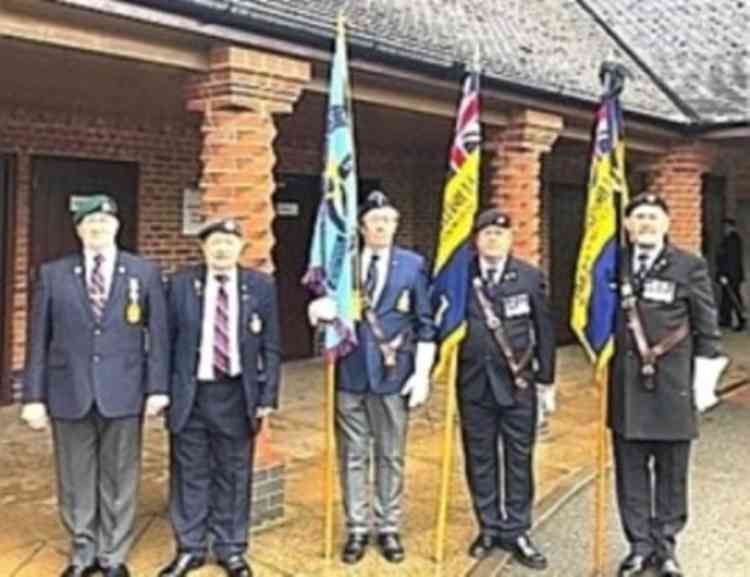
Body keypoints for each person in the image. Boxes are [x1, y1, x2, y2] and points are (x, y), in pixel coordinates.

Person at [21, 194, 169, 577]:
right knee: (74, 476)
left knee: (120, 474)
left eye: (104, 222)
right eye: (90, 224)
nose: (97, 229)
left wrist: (157, 388)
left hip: (125, 389)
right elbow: (38, 338)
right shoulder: (53, 274)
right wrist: (33, 396)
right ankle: (82, 552)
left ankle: (113, 554)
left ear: (116, 226)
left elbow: (160, 335)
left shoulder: (143, 272)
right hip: (68, 390)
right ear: (79, 230)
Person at [308, 190, 436, 564]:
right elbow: (327, 308)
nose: (382, 227)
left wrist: (423, 373)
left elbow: (423, 321)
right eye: (375, 221)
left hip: (393, 375)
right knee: (353, 454)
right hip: (349, 372)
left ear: (395, 226)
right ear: (362, 228)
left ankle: (388, 526)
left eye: (389, 221)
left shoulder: (412, 265)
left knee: (391, 454)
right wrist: (318, 312)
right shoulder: (341, 264)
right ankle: (357, 528)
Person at [157, 218, 281, 577]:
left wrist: (268, 394)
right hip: (191, 393)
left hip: (237, 394)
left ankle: (231, 548)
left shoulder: (260, 286)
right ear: (204, 249)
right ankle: (190, 547)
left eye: (229, 242)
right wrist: (161, 390)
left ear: (240, 247)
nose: (222, 249)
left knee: (234, 473)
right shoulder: (180, 284)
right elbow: (165, 341)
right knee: (189, 473)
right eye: (215, 243)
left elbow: (271, 345)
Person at [610, 193, 722, 577]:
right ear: (627, 225)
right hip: (627, 386)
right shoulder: (613, 263)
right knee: (631, 470)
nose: (645, 223)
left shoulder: (688, 265)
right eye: (638, 217)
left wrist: (704, 383)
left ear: (666, 223)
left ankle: (667, 546)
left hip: (672, 385)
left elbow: (707, 325)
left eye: (653, 217)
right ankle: (639, 546)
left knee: (672, 472)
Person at [456, 208, 556, 569]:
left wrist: (546, 382)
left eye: (500, 234)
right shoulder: (459, 275)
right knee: (479, 458)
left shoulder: (528, 277)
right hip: (474, 386)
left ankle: (516, 529)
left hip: (518, 386)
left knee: (518, 458)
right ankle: (488, 526)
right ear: (476, 240)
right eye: (486, 234)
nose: (493, 240)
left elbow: (544, 331)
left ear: (510, 239)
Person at [716, 217, 746, 331]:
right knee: (727, 298)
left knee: (734, 297)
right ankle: (726, 319)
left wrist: (725, 275)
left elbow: (731, 260)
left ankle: (741, 319)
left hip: (731, 275)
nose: (724, 229)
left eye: (726, 227)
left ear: (730, 227)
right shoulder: (729, 239)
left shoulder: (732, 240)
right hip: (730, 275)